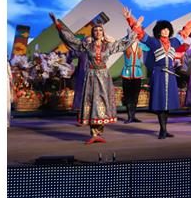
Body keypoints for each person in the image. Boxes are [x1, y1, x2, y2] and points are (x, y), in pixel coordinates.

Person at [50, 12, 137, 144]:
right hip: (91, 76)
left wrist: (134, 26)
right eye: (95, 30)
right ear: (93, 33)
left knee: (102, 103)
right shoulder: (87, 45)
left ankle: (99, 132)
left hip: (104, 77)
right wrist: (57, 25)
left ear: (103, 33)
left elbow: (123, 43)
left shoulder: (108, 46)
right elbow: (71, 40)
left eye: (100, 30)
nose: (98, 32)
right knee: (92, 103)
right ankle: (93, 133)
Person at [125, 8, 191, 139]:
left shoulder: (174, 42)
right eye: (163, 29)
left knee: (167, 103)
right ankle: (162, 130)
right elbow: (140, 33)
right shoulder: (153, 42)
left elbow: (185, 32)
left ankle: (164, 129)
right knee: (160, 102)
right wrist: (130, 19)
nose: (165, 31)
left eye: (167, 29)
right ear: (159, 31)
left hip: (170, 75)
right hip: (158, 74)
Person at [120, 35, 150, 124]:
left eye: (136, 36)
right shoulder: (125, 45)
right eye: (132, 36)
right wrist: (127, 38)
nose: (134, 37)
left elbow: (149, 48)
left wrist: (141, 40)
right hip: (127, 73)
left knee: (135, 96)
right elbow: (118, 44)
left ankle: (133, 116)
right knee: (128, 96)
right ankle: (130, 116)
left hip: (137, 73)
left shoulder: (141, 46)